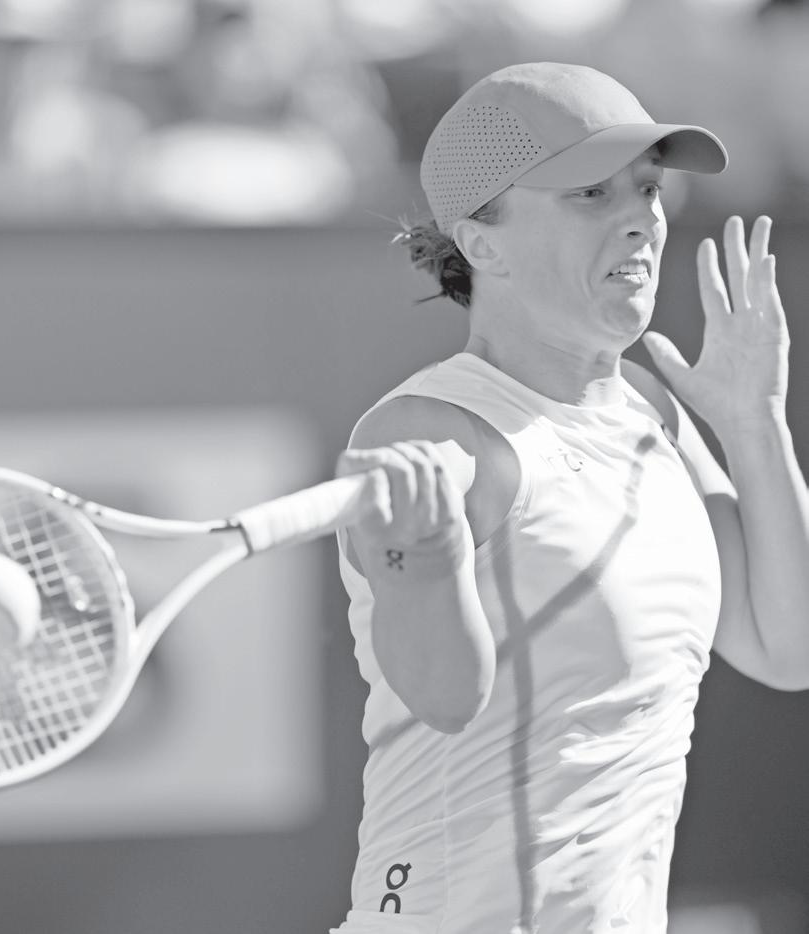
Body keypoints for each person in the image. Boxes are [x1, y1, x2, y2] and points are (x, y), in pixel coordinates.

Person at [330, 61, 808, 934]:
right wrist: (419, 561)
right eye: (592, 192)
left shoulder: (656, 414)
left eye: (649, 188)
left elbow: (788, 647)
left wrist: (754, 426)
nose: (642, 218)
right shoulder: (425, 430)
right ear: (483, 243)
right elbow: (442, 698)